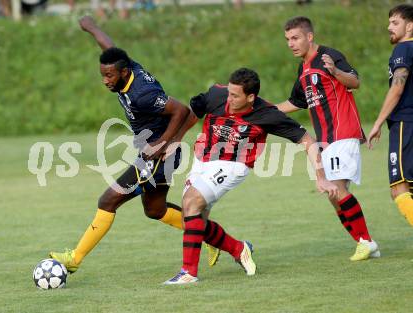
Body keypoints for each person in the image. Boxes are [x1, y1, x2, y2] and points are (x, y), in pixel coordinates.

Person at [49, 16, 220, 273]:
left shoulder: (143, 95)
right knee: (155, 210)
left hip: (160, 156)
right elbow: (109, 47)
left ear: (124, 73)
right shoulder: (125, 68)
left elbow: (181, 111)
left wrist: (162, 144)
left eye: (109, 76)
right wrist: (92, 27)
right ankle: (211, 235)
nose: (105, 80)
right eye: (103, 75)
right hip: (156, 153)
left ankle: (75, 259)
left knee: (108, 200)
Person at [163, 68, 339, 285]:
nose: (229, 99)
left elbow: (307, 141)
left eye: (235, 96)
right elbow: (192, 112)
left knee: (191, 202)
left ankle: (188, 273)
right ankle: (239, 249)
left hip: (233, 165)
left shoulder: (268, 114)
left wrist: (320, 176)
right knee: (192, 221)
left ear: (251, 97)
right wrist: (176, 139)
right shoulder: (216, 95)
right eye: (229, 93)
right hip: (203, 159)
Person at [275, 16, 380, 261]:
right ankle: (365, 242)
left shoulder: (327, 56)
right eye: (288, 39)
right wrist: (265, 112)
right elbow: (295, 102)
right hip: (326, 140)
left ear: (309, 36)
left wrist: (335, 70)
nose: (291, 43)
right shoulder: (303, 68)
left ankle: (366, 241)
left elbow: (355, 81)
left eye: (295, 38)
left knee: (337, 188)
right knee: (334, 195)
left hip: (342, 132)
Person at [368, 4, 413, 225]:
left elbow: (397, 87)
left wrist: (377, 122)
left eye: (395, 23)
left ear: (410, 26)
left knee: (399, 188)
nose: (389, 27)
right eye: (389, 22)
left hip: (405, 122)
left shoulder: (403, 49)